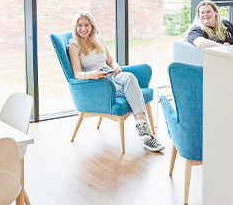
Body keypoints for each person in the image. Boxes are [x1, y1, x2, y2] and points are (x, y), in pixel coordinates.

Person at [67, 11, 164, 153]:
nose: (83, 28)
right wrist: (92, 74)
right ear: (75, 28)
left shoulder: (97, 39)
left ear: (92, 26)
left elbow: (110, 60)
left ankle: (142, 126)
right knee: (134, 91)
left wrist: (116, 67)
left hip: (110, 74)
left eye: (86, 25)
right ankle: (147, 135)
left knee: (129, 77)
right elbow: (77, 73)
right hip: (98, 83)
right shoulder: (74, 46)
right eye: (79, 25)